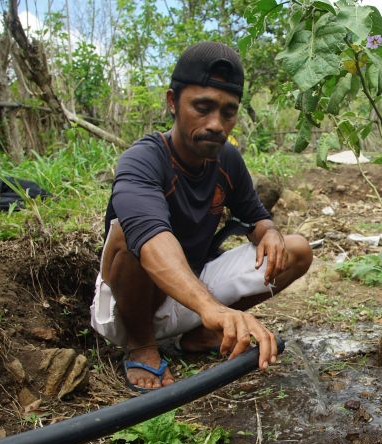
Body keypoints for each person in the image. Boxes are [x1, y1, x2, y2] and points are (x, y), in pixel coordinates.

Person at [89, 42, 312, 392]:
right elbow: (149, 239)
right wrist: (213, 307)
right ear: (172, 102)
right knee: (127, 238)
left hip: (195, 287)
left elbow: (256, 216)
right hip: (131, 307)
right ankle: (142, 346)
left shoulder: (227, 160)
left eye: (228, 112)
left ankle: (197, 335)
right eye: (202, 108)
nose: (216, 124)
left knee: (296, 248)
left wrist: (268, 232)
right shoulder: (143, 159)